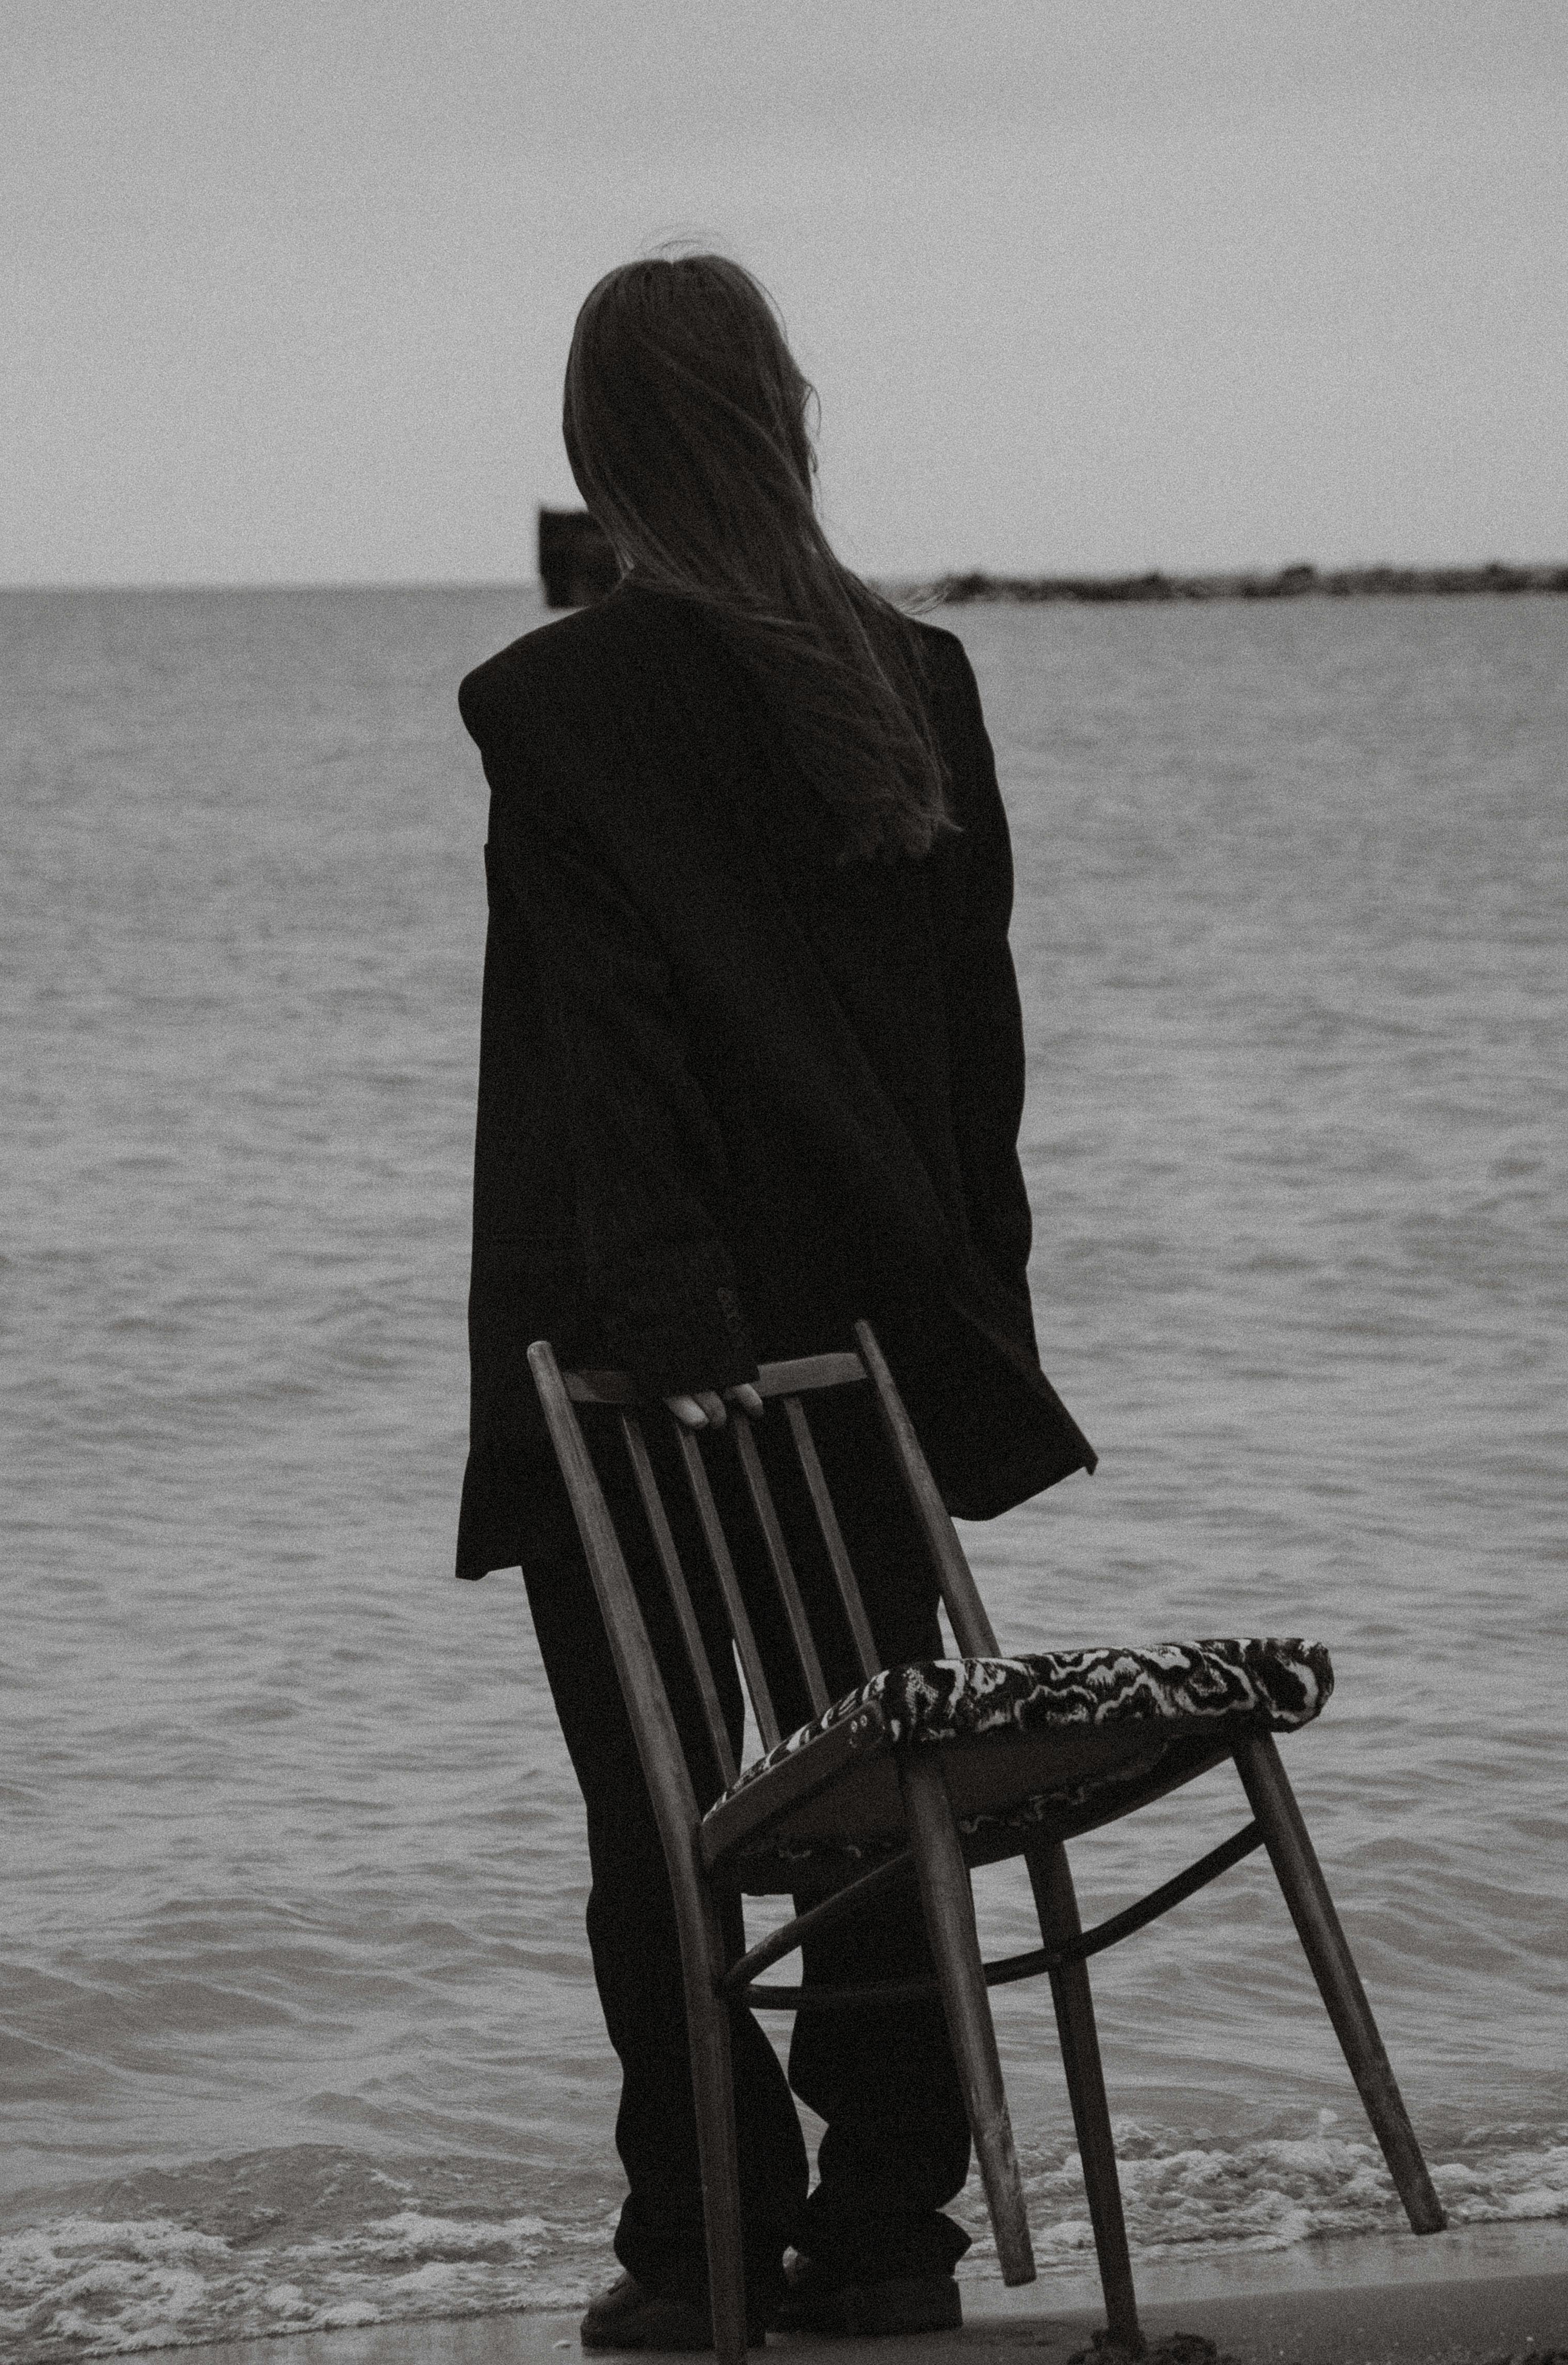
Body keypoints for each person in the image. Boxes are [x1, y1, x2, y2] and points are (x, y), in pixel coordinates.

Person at [456, 254, 1095, 2350]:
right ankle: (892, 2230)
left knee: (664, 1804)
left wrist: (667, 1319)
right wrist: (977, 1312)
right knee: (871, 1774)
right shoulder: (916, 680)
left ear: (600, 447)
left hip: (636, 1349)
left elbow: (614, 1036)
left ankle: (703, 2232)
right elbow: (976, 1051)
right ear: (784, 418)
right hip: (874, 1343)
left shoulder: (554, 703)